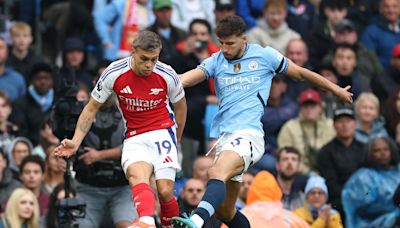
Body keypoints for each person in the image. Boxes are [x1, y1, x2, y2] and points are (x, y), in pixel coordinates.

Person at [171, 15, 352, 228]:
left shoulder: (265, 56)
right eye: (221, 43)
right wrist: (164, 83)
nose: (225, 49)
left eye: (230, 43)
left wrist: (335, 89)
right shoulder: (216, 60)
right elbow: (186, 78)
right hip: (225, 138)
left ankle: (196, 220)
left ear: (244, 39)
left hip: (249, 135)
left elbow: (301, 73)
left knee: (215, 172)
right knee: (226, 213)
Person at [54, 30, 187, 228]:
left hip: (162, 131)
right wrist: (75, 141)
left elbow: (181, 106)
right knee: (136, 177)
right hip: (134, 134)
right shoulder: (114, 72)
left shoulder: (167, 74)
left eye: (154, 59)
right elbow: (91, 108)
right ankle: (146, 221)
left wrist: (176, 140)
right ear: (133, 52)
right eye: (144, 59)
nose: (149, 65)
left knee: (166, 191)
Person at [317, 105, 365, 217]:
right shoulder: (325, 152)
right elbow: (330, 183)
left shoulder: (365, 149)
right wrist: (350, 197)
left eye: (348, 121)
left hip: (363, 197)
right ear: (334, 125)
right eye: (340, 121)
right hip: (339, 200)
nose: (344, 125)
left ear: (355, 124)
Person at [342, 137, 400, 228]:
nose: (383, 153)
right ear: (370, 154)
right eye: (377, 150)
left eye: (386, 149)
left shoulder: (398, 171)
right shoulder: (364, 177)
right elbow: (363, 205)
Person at [275, 147, 308, 211]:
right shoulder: (268, 192)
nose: (290, 162)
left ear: (298, 167)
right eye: (285, 159)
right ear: (277, 166)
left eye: (294, 159)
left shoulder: (302, 197)